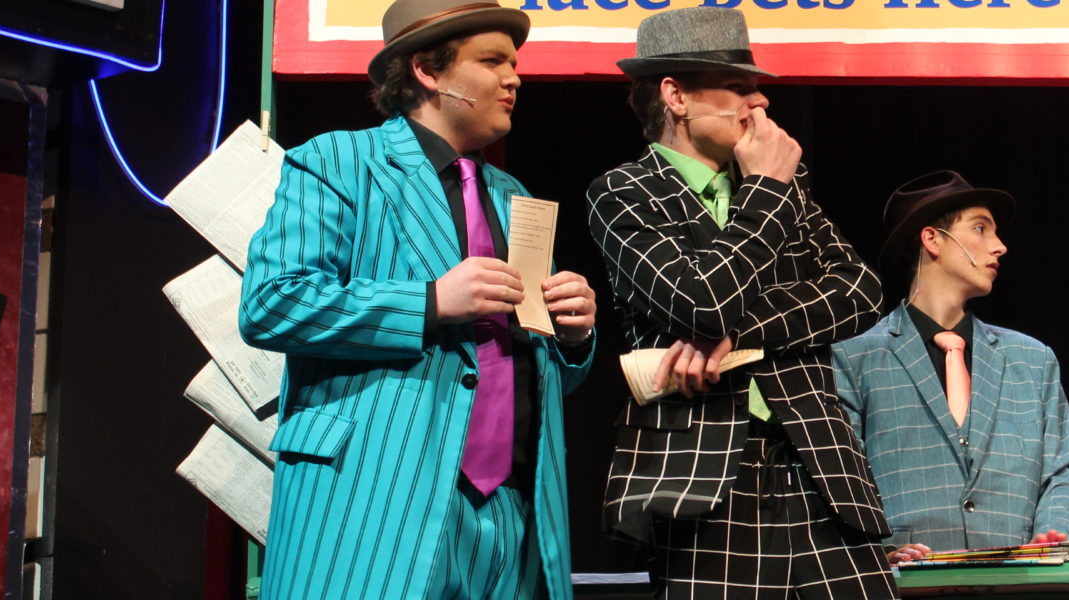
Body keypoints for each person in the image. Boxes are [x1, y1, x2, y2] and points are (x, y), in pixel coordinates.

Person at [238, 1, 596, 597]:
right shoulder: (338, 162)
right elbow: (273, 303)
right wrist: (429, 303)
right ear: (428, 71)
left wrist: (571, 335)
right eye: (492, 62)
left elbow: (528, 376)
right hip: (377, 499)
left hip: (509, 515)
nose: (514, 78)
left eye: (514, 63)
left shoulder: (514, 196)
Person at [584, 7, 898, 598]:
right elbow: (700, 303)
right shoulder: (625, 192)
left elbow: (860, 290)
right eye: (737, 87)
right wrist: (765, 192)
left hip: (818, 466)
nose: (760, 104)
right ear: (676, 96)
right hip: (704, 480)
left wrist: (738, 335)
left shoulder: (788, 184)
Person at [831, 171, 1069, 562]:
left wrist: (1054, 535)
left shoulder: (1032, 359)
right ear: (932, 239)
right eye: (981, 228)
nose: (1000, 246)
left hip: (1019, 576)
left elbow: (1066, 468)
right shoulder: (856, 356)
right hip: (906, 582)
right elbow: (840, 474)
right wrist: (879, 551)